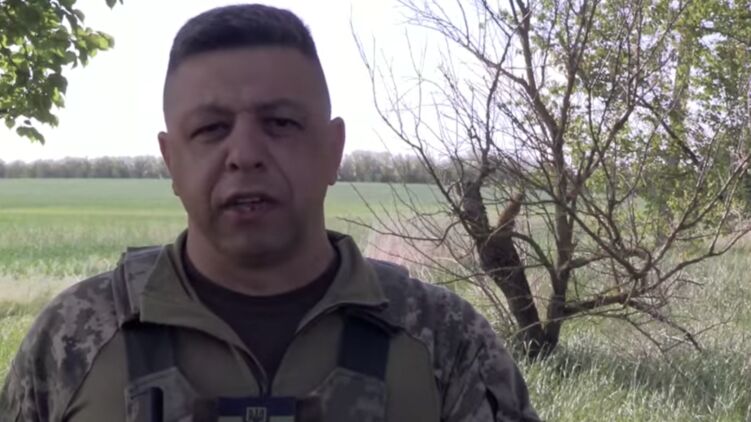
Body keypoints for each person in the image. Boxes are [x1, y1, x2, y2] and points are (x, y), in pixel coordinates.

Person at [0, 4, 540, 421]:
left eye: (280, 123)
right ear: (171, 161)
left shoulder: (446, 341)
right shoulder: (72, 339)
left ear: (333, 150)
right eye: (211, 129)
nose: (245, 154)